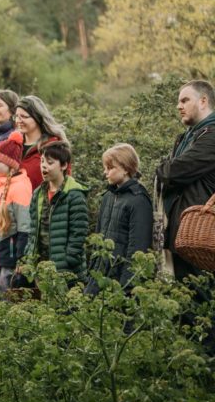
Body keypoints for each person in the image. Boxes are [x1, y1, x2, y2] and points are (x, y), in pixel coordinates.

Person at [156, 80, 215, 286]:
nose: (178, 106)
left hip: (202, 234)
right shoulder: (187, 137)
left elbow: (174, 172)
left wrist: (165, 168)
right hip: (182, 233)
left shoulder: (212, 135)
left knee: (199, 301)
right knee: (182, 303)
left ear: (203, 101)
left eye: (185, 100)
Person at [85, 144, 152, 295]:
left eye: (110, 168)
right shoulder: (108, 197)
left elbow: (138, 247)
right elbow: (98, 237)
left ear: (126, 168)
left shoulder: (139, 200)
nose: (105, 172)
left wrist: (126, 285)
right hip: (98, 277)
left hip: (120, 281)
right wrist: (92, 270)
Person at [23, 141, 88, 281]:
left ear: (64, 166)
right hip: (41, 267)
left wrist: (69, 260)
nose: (44, 166)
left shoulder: (74, 195)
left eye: (50, 162)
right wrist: (29, 257)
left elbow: (78, 234)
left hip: (66, 270)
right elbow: (33, 229)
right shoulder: (38, 194)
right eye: (42, 161)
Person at [0, 131, 32, 295]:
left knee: (5, 294)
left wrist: (21, 256)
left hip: (10, 253)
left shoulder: (19, 187)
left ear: (11, 165)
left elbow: (24, 225)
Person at [14, 96, 70, 190]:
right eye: (16, 116)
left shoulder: (53, 146)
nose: (19, 120)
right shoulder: (13, 144)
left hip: (41, 203)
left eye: (24, 116)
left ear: (37, 118)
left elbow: (63, 184)